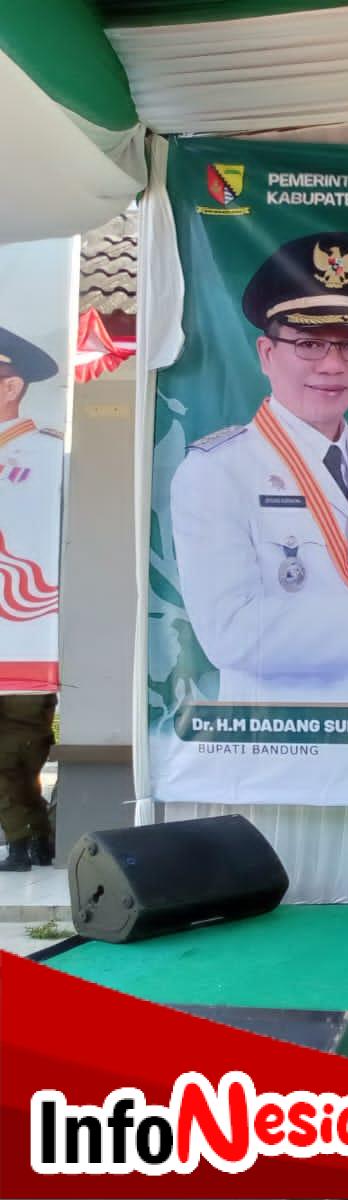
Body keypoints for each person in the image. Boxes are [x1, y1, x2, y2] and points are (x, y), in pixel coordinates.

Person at [170, 233, 348, 705]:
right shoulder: (218, 471)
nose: (332, 365)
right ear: (267, 354)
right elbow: (231, 633)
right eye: (309, 343)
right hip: (290, 740)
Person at [0, 327, 64, 871]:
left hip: (26, 635)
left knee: (15, 747)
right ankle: (29, 838)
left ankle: (25, 840)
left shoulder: (46, 455)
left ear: (11, 387)